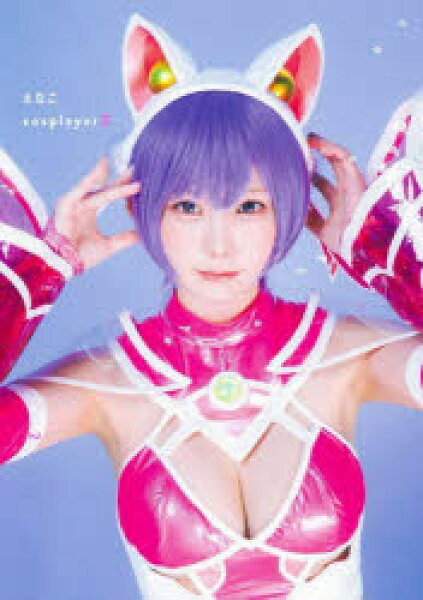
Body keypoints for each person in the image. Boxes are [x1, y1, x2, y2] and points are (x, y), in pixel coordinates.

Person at [1, 13, 422, 600]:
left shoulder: (351, 353)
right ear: (141, 208)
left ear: (290, 208)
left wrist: (386, 257)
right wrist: (37, 275)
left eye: (249, 206)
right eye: (187, 207)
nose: (218, 244)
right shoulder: (105, 380)